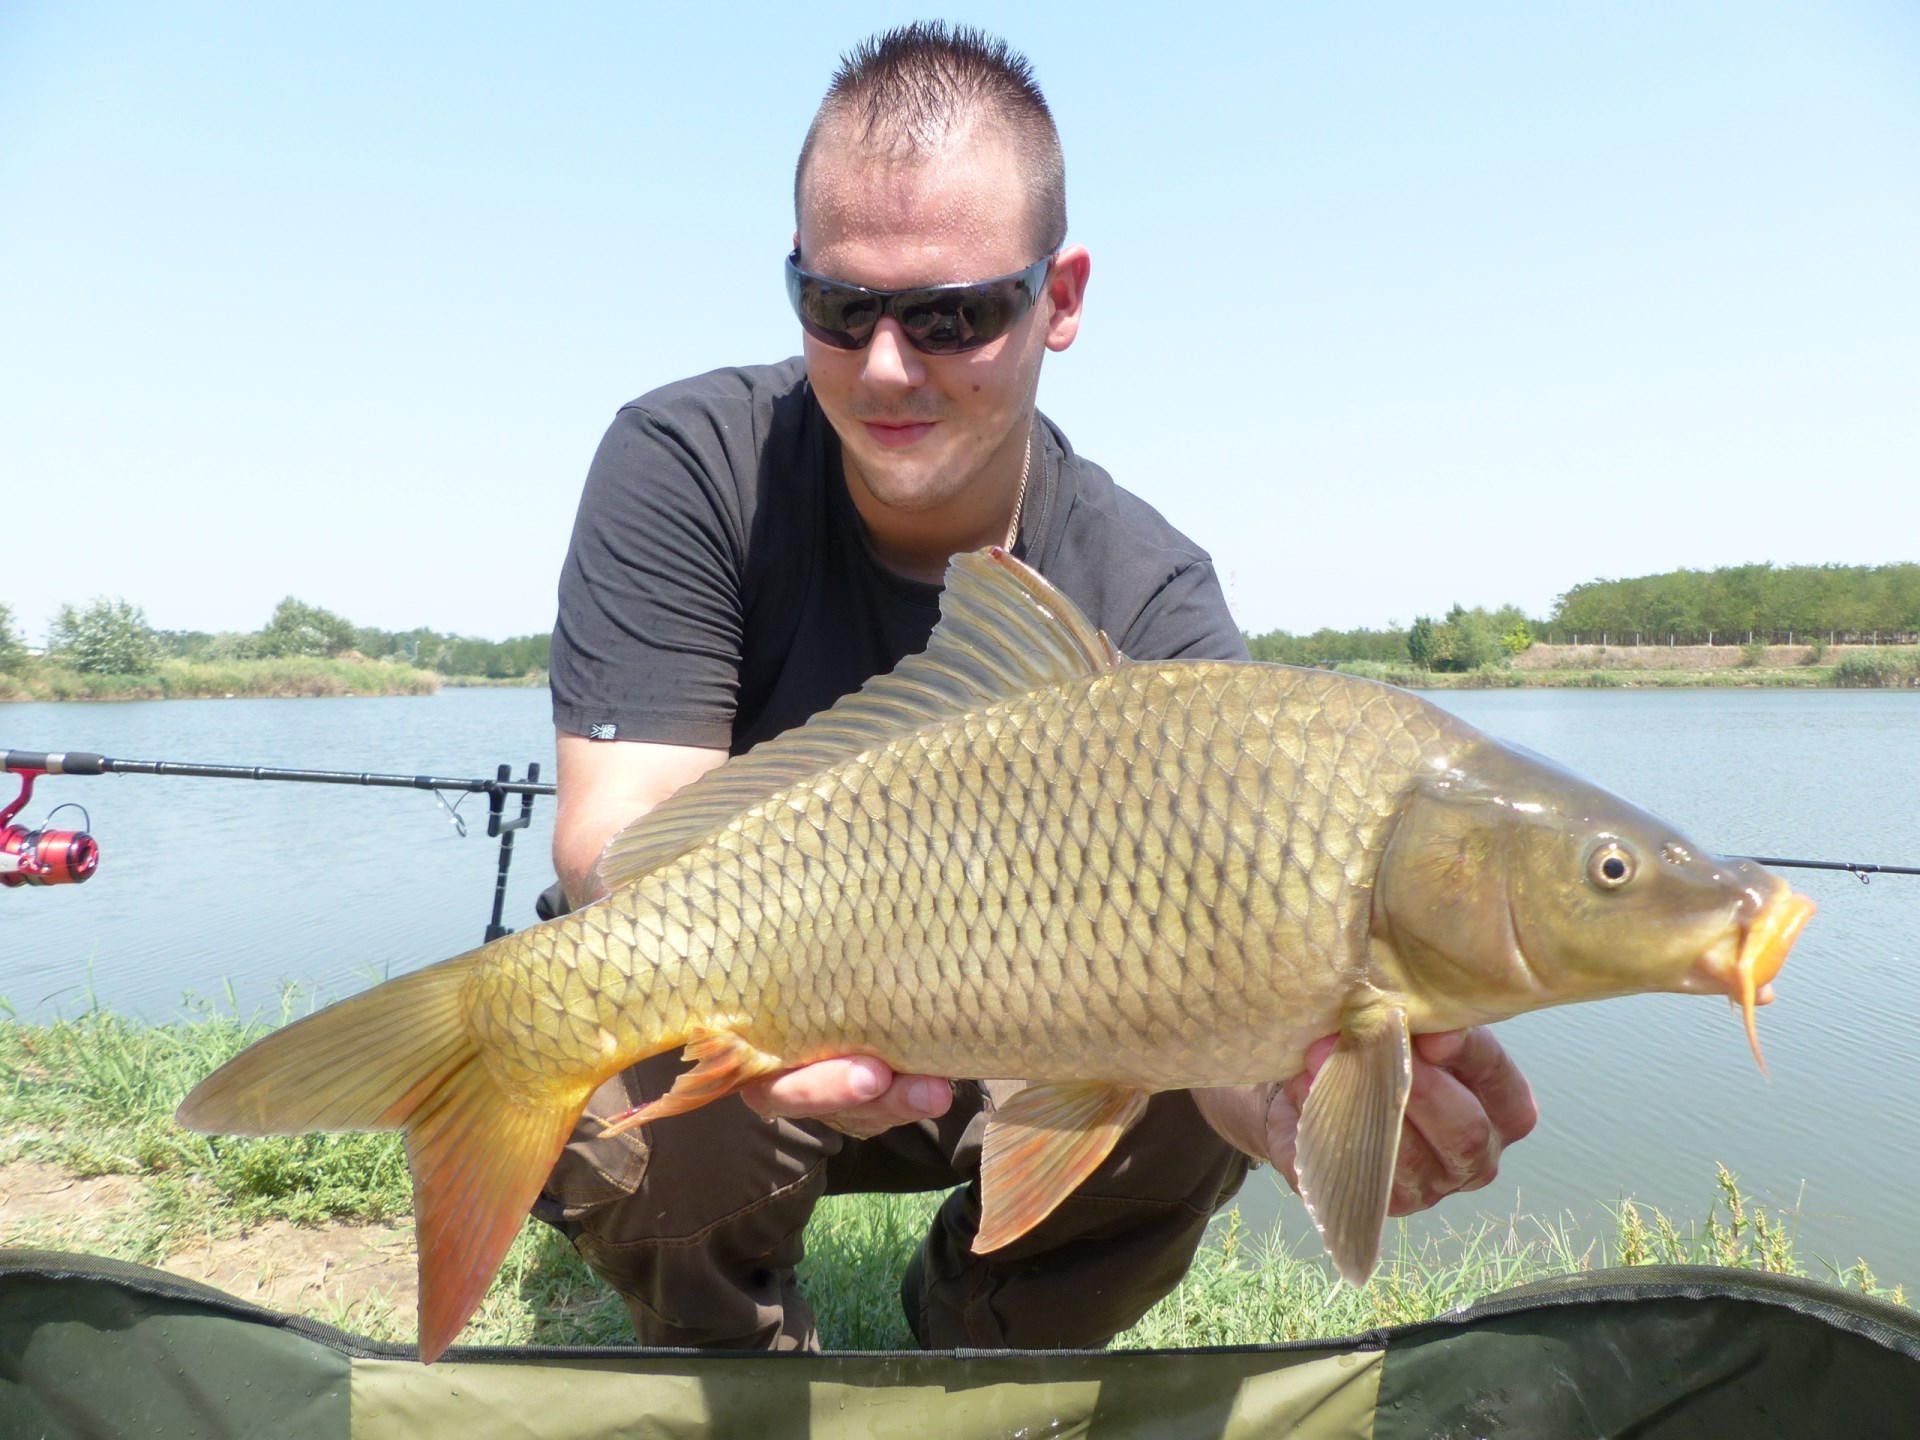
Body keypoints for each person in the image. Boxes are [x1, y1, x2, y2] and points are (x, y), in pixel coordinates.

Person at [536, 22, 1537, 1351]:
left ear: (1059, 299)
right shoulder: (687, 461)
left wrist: (1285, 1097)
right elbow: (620, 838)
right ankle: (734, 1353)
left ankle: (981, 1358)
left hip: (1022, 1042)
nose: (888, 364)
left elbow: (1240, 983)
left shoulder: (1146, 590)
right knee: (636, 995)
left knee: (1201, 1075)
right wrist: (783, 1004)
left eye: (951, 315)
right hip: (768, 1029)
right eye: (840, 309)